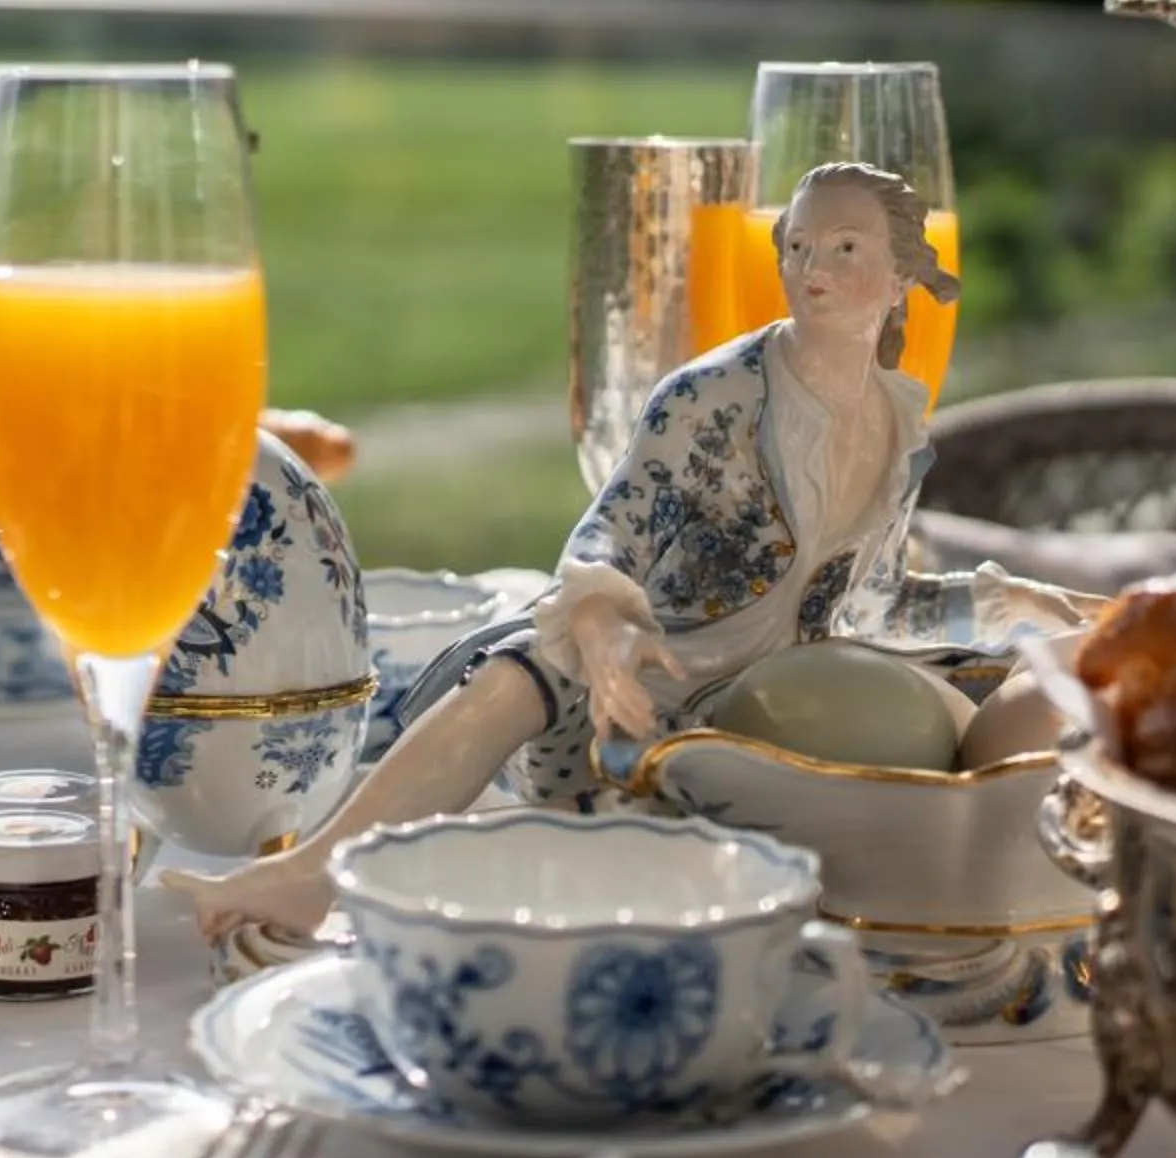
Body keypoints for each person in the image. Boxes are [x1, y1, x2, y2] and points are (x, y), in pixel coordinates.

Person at [169, 161, 1092, 940]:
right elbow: (604, 533)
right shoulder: (715, 394)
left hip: (776, 697)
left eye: (843, 249)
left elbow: (878, 602)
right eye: (798, 245)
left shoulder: (897, 422)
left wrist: (1005, 601)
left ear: (898, 276)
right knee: (528, 660)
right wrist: (607, 633)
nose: (810, 265)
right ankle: (312, 877)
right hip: (647, 673)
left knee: (990, 704)